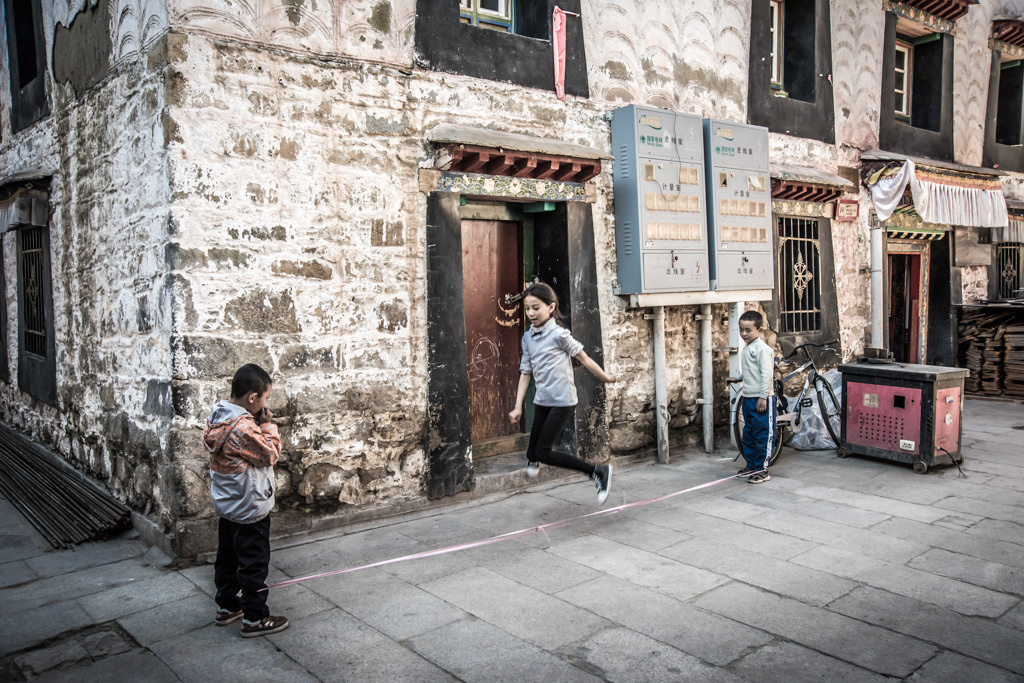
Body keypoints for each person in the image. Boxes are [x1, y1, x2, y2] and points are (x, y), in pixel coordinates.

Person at [508, 282, 617, 504]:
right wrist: (518, 406)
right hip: (542, 400)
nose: (530, 313)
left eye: (536, 308)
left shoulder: (560, 335)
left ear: (550, 307)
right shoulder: (528, 338)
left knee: (542, 452)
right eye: (527, 308)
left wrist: (606, 378)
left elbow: (584, 358)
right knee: (532, 453)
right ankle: (533, 458)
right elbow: (525, 372)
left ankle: (597, 471)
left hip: (562, 401)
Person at [203, 363, 290, 637]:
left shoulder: (217, 416)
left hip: (229, 504)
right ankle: (255, 618)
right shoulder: (243, 428)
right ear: (252, 398)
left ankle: (227, 606)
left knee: (227, 558)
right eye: (264, 398)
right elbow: (270, 454)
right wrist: (267, 425)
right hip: (250, 506)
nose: (265, 404)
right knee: (254, 563)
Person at [728, 310, 776, 484]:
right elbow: (751, 372)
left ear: (760, 330)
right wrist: (738, 378)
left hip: (761, 399)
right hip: (748, 398)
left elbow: (766, 375)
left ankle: (762, 469)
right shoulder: (747, 349)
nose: (744, 334)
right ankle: (751, 465)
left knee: (762, 434)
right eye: (741, 330)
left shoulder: (763, 350)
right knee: (748, 433)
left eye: (748, 330)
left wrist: (763, 397)